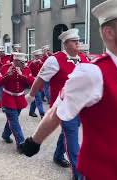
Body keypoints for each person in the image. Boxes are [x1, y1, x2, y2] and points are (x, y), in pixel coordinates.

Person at [21, 0, 117, 179]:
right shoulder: (93, 72)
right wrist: (34, 141)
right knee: (71, 138)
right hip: (103, 175)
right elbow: (56, 112)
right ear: (108, 32)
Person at [25, 28, 89, 180]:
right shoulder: (55, 59)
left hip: (81, 105)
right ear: (66, 43)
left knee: (68, 132)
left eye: (78, 41)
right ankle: (78, 174)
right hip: (64, 106)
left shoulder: (83, 58)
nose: (78, 44)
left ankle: (58, 155)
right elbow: (40, 79)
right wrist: (32, 95)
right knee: (73, 139)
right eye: (74, 41)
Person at [0, 52, 34, 149]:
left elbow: (31, 82)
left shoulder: (26, 69)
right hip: (8, 97)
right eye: (22, 62)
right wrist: (7, 75)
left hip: (20, 98)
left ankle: (5, 134)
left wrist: (22, 75)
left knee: (13, 120)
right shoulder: (5, 67)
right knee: (14, 121)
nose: (24, 64)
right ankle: (21, 143)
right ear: (15, 61)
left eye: (24, 62)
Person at [28, 49, 45, 118]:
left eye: (40, 56)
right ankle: (42, 113)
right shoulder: (31, 63)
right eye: (38, 56)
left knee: (36, 98)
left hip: (41, 82)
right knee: (39, 98)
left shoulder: (42, 63)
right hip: (34, 82)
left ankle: (31, 111)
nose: (40, 57)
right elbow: (27, 71)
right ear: (35, 56)